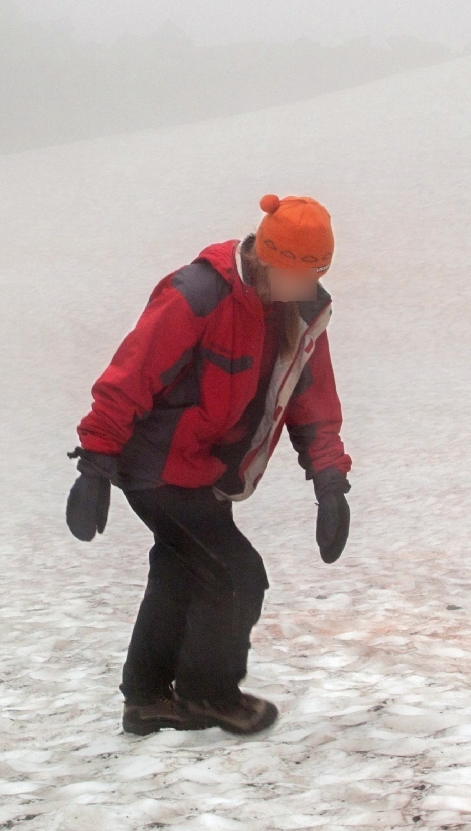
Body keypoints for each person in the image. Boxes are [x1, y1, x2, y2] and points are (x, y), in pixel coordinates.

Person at [67, 194, 353, 738]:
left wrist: (330, 482)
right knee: (236, 576)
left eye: (316, 274)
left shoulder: (300, 312)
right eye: (299, 274)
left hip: (203, 470)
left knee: (181, 572)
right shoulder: (197, 294)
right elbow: (130, 376)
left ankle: (148, 697)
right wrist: (94, 465)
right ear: (270, 260)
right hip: (155, 463)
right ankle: (207, 694)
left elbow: (311, 401)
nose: (307, 287)